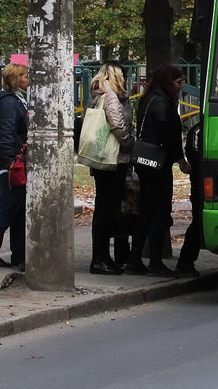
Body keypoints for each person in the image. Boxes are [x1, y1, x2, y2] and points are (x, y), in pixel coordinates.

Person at [126, 65, 190, 277]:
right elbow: (169, 134)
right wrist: (180, 159)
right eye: (178, 82)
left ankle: (135, 258)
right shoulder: (163, 103)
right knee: (160, 211)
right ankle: (154, 260)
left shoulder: (148, 98)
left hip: (145, 161)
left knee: (147, 210)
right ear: (168, 82)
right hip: (158, 163)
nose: (181, 87)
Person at [87, 62, 135, 275]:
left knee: (103, 208)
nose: (125, 79)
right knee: (108, 208)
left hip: (101, 158)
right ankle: (100, 259)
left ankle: (102, 257)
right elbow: (117, 124)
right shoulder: (111, 96)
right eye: (122, 76)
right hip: (113, 158)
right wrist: (128, 143)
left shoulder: (96, 94)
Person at [0, 63, 29, 269]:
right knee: (8, 207)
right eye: (26, 76)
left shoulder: (18, 100)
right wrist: (10, 163)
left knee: (17, 209)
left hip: (15, 160)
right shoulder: (10, 102)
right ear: (16, 79)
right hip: (12, 163)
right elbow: (6, 133)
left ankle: (19, 253)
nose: (29, 80)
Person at [175, 115, 203, 278]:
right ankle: (185, 262)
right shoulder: (198, 131)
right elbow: (194, 156)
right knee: (199, 223)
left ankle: (186, 262)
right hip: (201, 185)